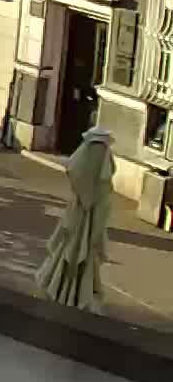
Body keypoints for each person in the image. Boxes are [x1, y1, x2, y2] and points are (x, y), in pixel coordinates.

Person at [37, 126, 113, 311]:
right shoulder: (101, 154)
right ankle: (73, 292)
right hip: (87, 214)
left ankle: (65, 289)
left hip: (77, 212)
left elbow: (74, 169)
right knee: (81, 250)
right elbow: (103, 190)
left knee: (71, 249)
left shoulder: (86, 153)